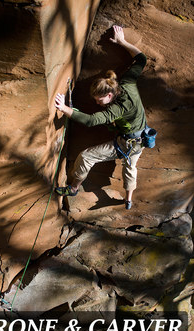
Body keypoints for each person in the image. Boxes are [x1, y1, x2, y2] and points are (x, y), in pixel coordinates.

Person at [54, 25, 147, 210]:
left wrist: (64, 109)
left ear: (110, 95)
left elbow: (90, 120)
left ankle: (73, 188)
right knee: (130, 168)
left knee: (87, 156)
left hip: (126, 143)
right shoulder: (127, 82)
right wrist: (122, 42)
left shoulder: (117, 108)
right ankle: (128, 199)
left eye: (99, 100)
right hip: (141, 139)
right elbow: (141, 60)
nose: (98, 103)